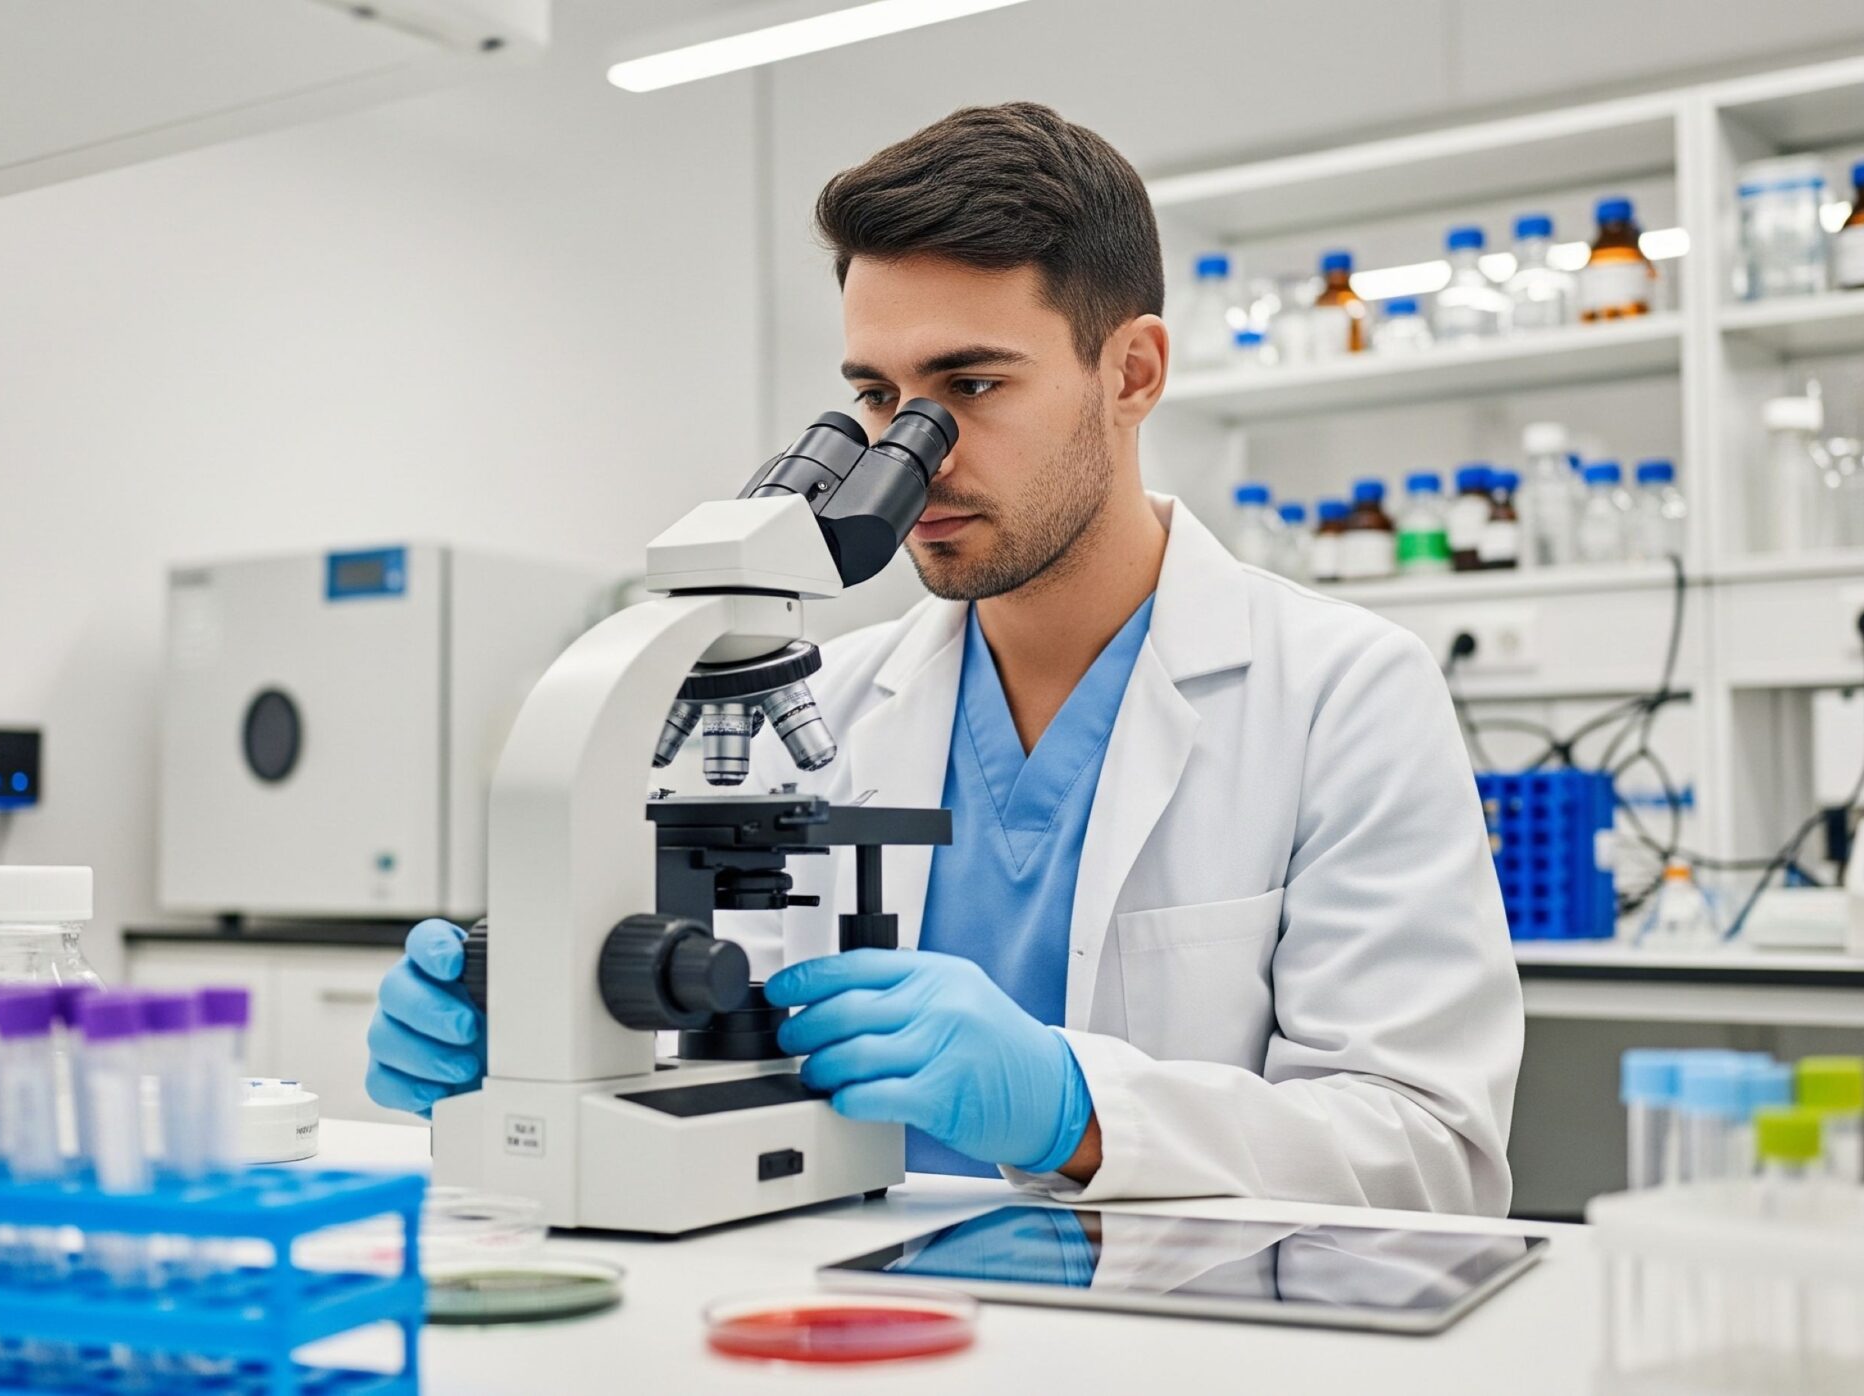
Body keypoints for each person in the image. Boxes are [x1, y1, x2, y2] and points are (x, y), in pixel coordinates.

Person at [366, 103, 1523, 1214]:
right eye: (878, 398)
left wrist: (1076, 1109)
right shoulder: (815, 703)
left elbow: (1427, 1151)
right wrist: (537, 1048)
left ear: (1132, 373)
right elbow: (713, 1049)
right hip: (846, 1306)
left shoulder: (1343, 693)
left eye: (969, 386)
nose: (909, 459)